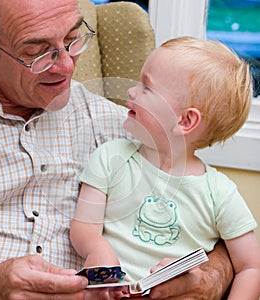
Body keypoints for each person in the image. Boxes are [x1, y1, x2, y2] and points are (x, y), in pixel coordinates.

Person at [0, 0, 233, 297]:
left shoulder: (122, 127)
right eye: (36, 51)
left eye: (72, 39)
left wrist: (209, 278)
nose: (66, 66)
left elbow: (217, 227)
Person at [70, 37, 260, 299]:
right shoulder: (110, 158)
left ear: (184, 121)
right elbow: (84, 228)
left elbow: (251, 267)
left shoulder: (220, 193)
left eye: (146, 87)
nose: (131, 92)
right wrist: (99, 253)